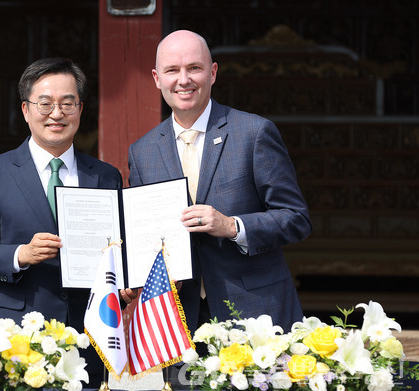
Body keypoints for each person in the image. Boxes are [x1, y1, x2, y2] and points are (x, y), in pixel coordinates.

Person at [128, 30, 312, 332]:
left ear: (212, 73)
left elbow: (297, 219)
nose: (183, 80)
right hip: (177, 318)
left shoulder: (254, 133)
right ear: (157, 78)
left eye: (194, 68)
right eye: (172, 70)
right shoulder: (143, 151)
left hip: (253, 311)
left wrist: (232, 226)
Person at [0, 57, 123, 385]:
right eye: (45, 103)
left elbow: (119, 250)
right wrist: (21, 254)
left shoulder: (105, 176)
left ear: (80, 108)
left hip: (89, 333)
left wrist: (124, 280)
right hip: (19, 335)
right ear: (25, 109)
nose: (57, 113)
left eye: (68, 103)